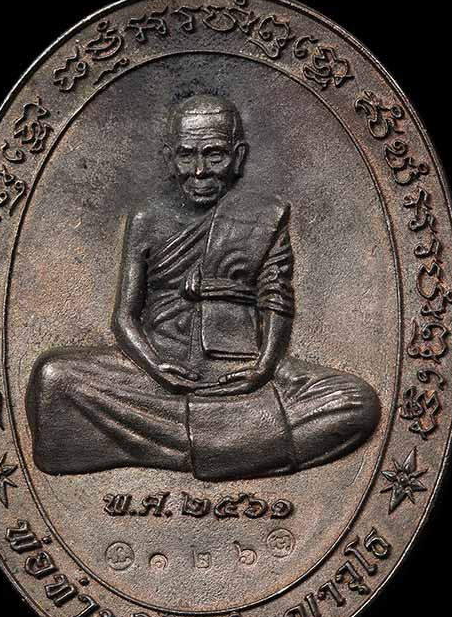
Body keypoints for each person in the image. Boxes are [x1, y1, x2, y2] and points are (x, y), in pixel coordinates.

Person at [26, 94, 380, 480]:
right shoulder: (147, 219)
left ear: (238, 157)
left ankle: (168, 444)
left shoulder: (265, 216)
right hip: (160, 370)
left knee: (357, 403)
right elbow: (125, 316)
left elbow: (275, 297)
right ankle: (229, 442)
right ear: (170, 158)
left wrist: (263, 368)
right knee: (53, 376)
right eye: (186, 155)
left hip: (239, 368)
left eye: (214, 155)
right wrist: (156, 367)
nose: (199, 171)